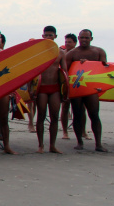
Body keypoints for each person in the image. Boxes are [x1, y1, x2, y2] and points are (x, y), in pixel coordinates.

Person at [65, 29, 107, 152]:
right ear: (78, 38)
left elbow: (104, 68)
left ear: (91, 39)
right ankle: (79, 141)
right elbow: (65, 73)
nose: (84, 40)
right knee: (77, 115)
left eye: (86, 38)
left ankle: (98, 144)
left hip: (92, 88)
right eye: (82, 38)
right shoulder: (72, 54)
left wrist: (90, 64)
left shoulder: (99, 51)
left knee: (94, 114)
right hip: (77, 88)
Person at [34, 26, 67, 154]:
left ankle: (52, 145)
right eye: (46, 35)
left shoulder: (61, 53)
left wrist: (66, 91)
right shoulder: (38, 52)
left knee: (54, 116)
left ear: (55, 36)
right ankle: (40, 145)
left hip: (55, 88)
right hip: (41, 88)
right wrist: (31, 89)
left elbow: (64, 73)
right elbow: (33, 71)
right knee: (41, 116)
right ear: (42, 37)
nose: (48, 37)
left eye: (50, 35)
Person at [60, 33, 78, 140]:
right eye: (66, 41)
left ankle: (83, 131)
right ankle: (65, 131)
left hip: (77, 84)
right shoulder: (62, 53)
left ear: (75, 43)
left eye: (69, 42)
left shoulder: (78, 54)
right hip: (66, 83)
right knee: (65, 107)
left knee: (79, 109)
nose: (67, 44)